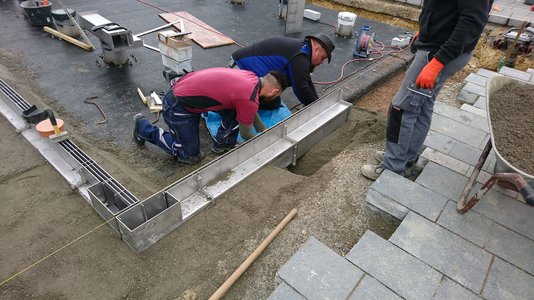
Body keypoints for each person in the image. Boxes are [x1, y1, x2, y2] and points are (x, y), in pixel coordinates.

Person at [361, 0, 494, 180]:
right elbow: (445, 8)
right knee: (423, 105)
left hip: (438, 53)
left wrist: (437, 63)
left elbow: (472, 21)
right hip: (439, 44)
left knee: (401, 108)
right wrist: (426, 30)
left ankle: (392, 167)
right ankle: (406, 158)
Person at [132, 67, 289, 164]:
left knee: (236, 110)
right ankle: (143, 128)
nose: (275, 99)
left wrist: (263, 130)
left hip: (186, 93)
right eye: (276, 96)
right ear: (275, 91)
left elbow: (248, 110)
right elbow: (246, 133)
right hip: (177, 105)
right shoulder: (249, 97)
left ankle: (223, 142)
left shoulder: (251, 78)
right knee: (189, 156)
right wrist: (264, 145)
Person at [230, 33, 335, 110]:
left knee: (274, 102)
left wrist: (316, 101)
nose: (322, 62)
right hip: (239, 72)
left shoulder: (302, 49)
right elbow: (301, 88)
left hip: (241, 68)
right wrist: (318, 109)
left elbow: (306, 79)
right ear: (316, 49)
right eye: (322, 58)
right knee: (268, 104)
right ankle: (233, 104)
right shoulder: (300, 56)